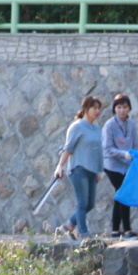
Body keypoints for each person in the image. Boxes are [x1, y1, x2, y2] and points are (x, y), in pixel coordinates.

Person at [54, 95, 103, 239]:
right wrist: (60, 166)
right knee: (82, 203)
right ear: (86, 109)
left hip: (92, 170)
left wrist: (98, 171)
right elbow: (68, 148)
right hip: (79, 169)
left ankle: (68, 225)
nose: (97, 111)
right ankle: (84, 233)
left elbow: (97, 150)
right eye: (94, 108)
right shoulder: (76, 126)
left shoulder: (96, 128)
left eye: (99, 108)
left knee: (90, 204)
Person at [102, 93, 138, 240]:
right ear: (114, 109)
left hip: (127, 165)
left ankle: (115, 231)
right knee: (123, 193)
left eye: (125, 107)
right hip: (112, 165)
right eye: (119, 107)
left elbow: (136, 143)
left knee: (121, 195)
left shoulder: (131, 124)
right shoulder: (109, 125)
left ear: (129, 108)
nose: (122, 110)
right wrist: (123, 154)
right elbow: (107, 148)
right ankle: (127, 230)